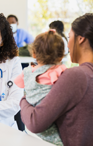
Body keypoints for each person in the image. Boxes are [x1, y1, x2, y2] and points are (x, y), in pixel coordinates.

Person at [20, 13, 93, 146]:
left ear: (81, 39)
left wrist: (24, 98)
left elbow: (35, 122)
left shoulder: (76, 75)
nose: (67, 45)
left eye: (69, 36)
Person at [14, 29, 66, 145]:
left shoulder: (27, 72)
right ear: (61, 56)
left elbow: (18, 85)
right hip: (53, 134)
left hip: (29, 130)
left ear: (33, 53)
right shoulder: (60, 71)